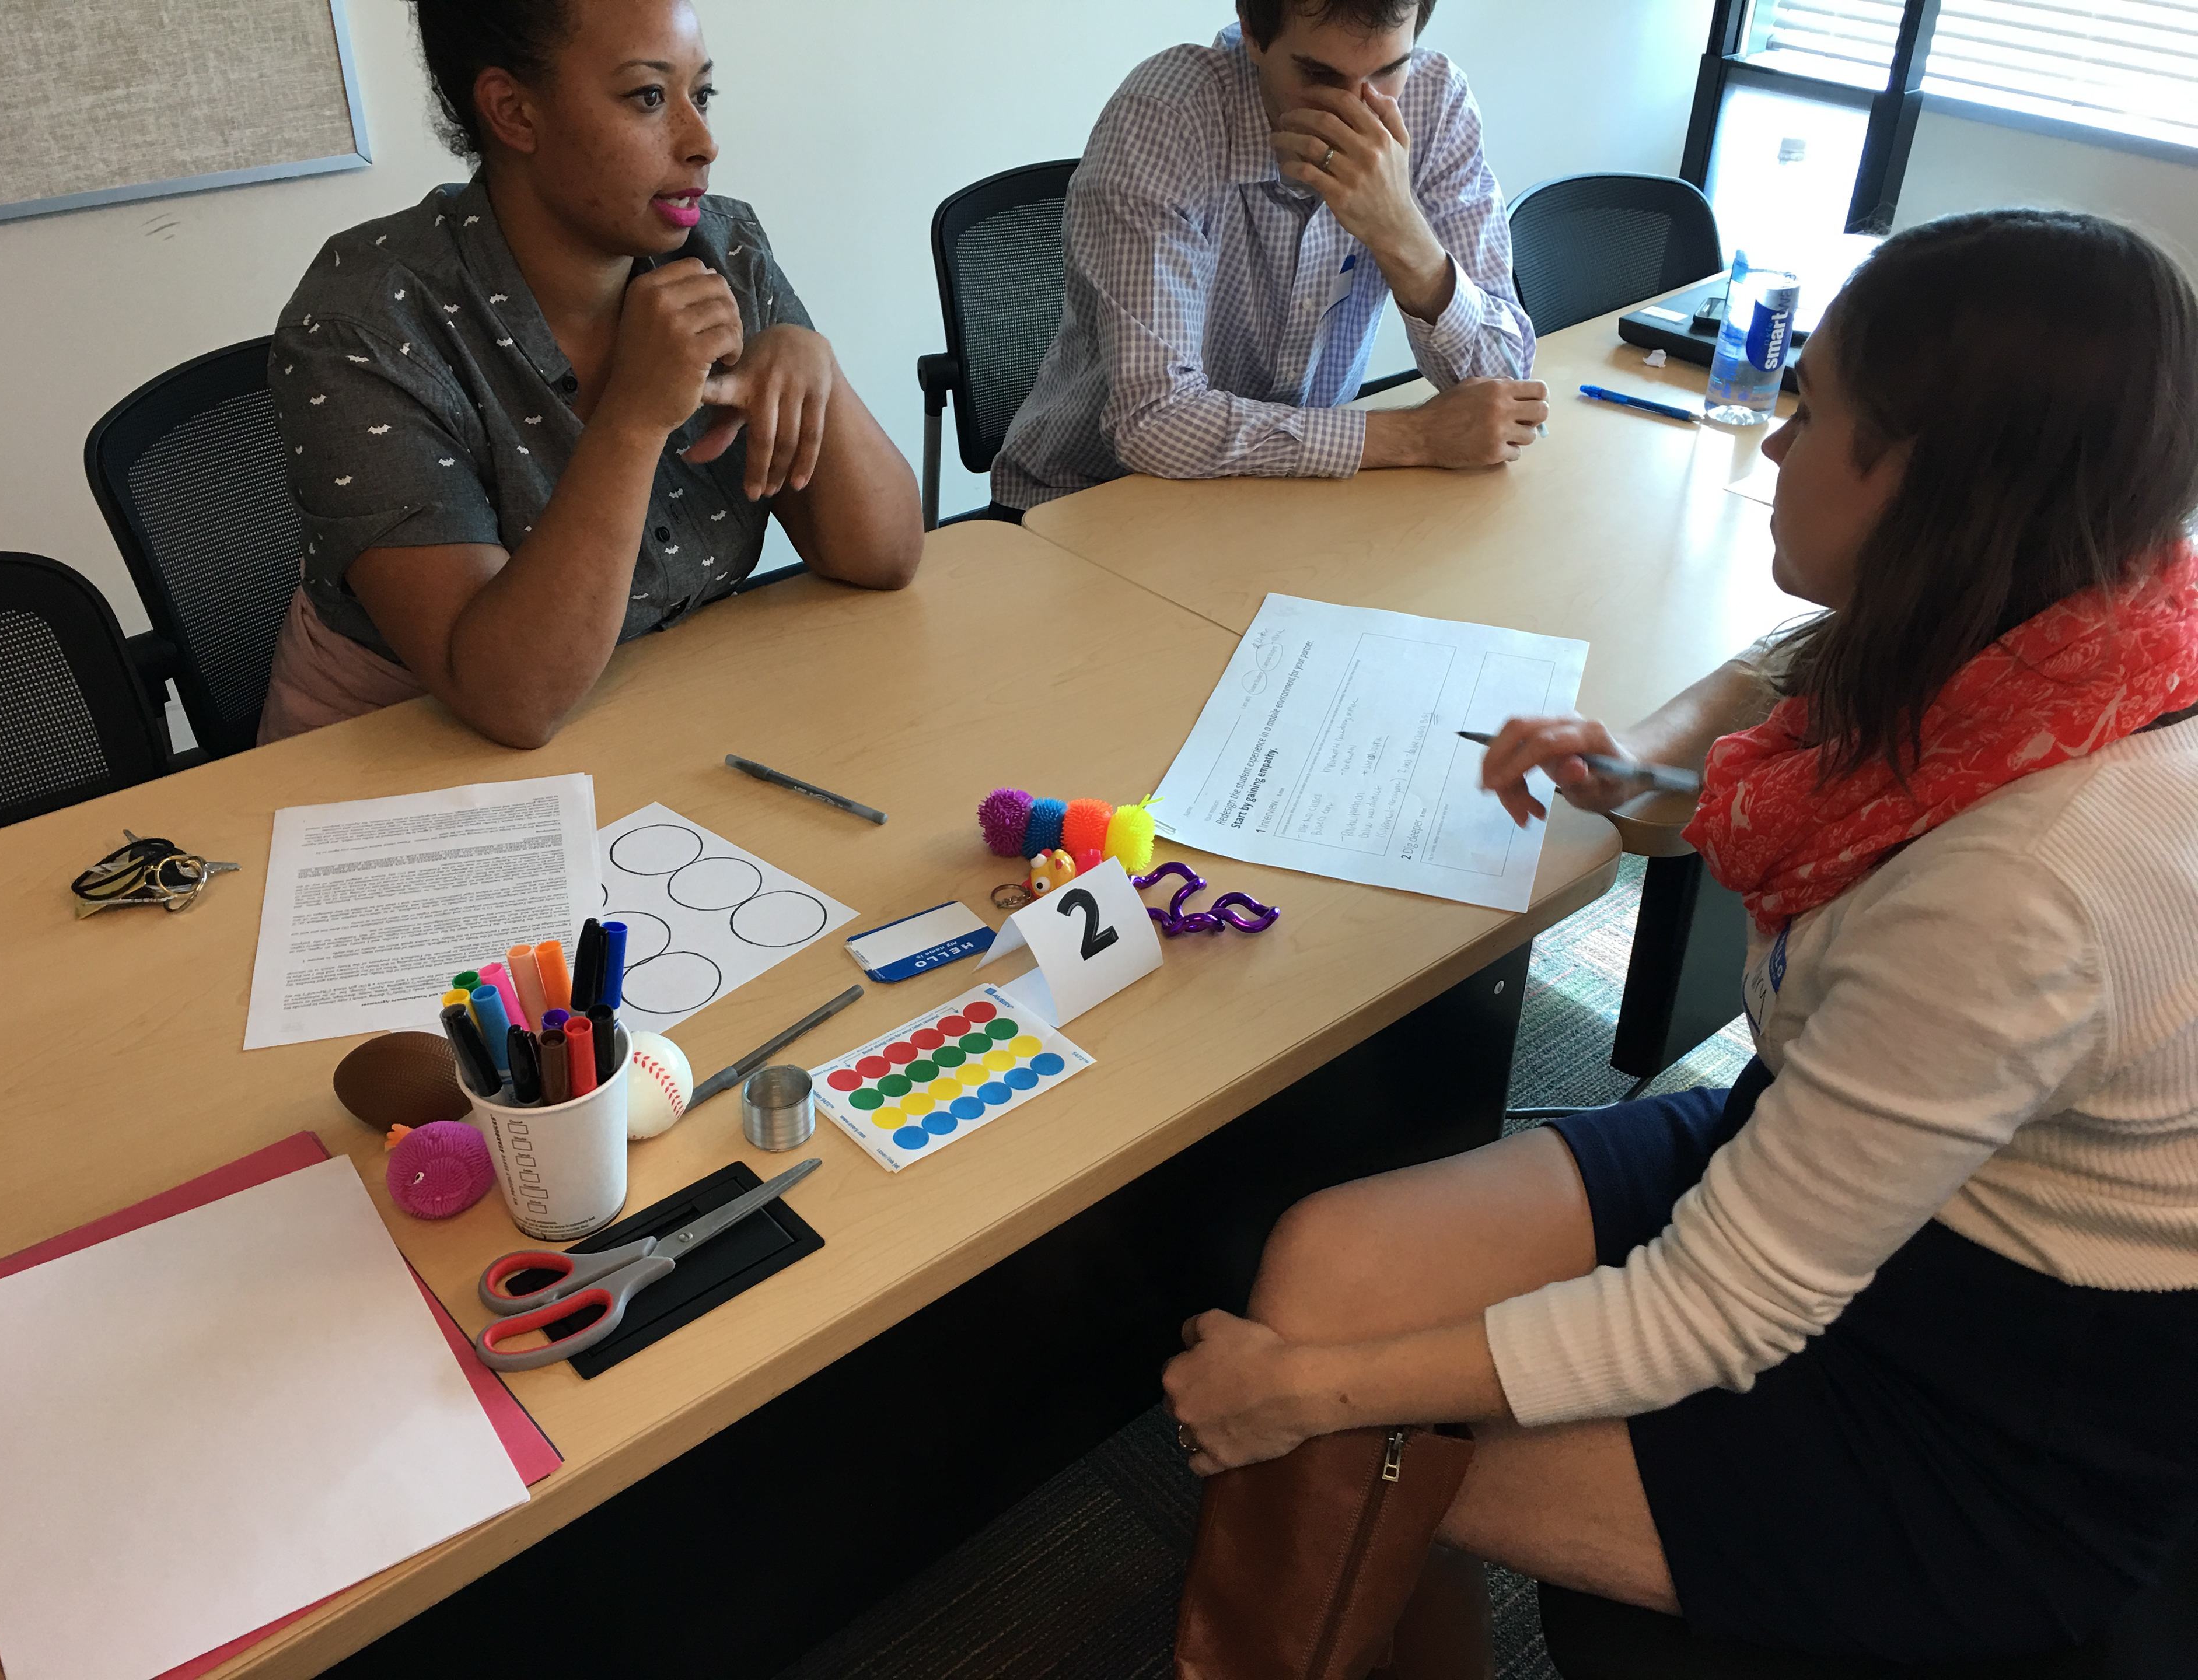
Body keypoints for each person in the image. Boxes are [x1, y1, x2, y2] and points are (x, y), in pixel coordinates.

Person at [1162, 209, 2198, 1673]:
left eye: (1811, 408)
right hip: (1857, 1183)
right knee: (1329, 1260)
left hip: (1987, 1408)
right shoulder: (2078, 632)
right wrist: (1641, 765)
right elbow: (1787, 676)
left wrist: (1313, 1394)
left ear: (1923, 482)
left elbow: (1717, 1308)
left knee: (1341, 1415)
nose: (1772, 444)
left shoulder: (2027, 882)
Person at [260, 0, 921, 749]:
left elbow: (884, 557)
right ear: (513, 111)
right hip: (403, 763)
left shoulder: (719, 246)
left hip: (650, 714)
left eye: (700, 95)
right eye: (648, 97)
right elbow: (510, 698)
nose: (703, 142)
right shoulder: (365, 322)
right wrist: (635, 419)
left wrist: (812, 361)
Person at [991, 0, 1545, 514]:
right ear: (1253, 32)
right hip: (1090, 504)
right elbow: (1153, 422)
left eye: (1387, 72)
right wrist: (1416, 437)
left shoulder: (1436, 102)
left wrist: (1404, 234)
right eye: (1321, 77)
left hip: (1288, 497)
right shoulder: (1164, 118)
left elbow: (1503, 387)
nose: (1359, 115)